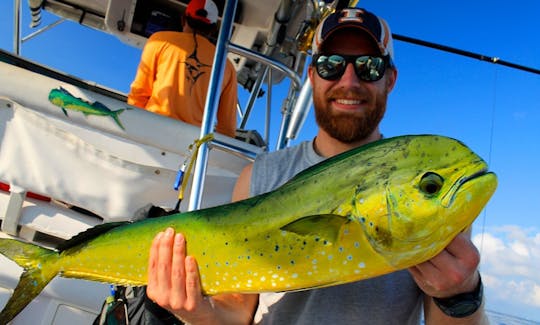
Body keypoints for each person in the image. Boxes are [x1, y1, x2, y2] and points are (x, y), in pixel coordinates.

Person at [145, 7, 489, 325]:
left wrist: (461, 295)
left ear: (391, 79)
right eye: (331, 65)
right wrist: (198, 313)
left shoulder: (430, 193)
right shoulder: (260, 175)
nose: (349, 81)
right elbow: (237, 308)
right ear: (312, 75)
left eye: (369, 66)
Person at [127, 0, 238, 137]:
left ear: (183, 19)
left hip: (152, 128)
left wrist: (133, 127)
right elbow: (227, 128)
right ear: (214, 30)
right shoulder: (227, 66)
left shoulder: (159, 40)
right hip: (192, 143)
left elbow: (138, 94)